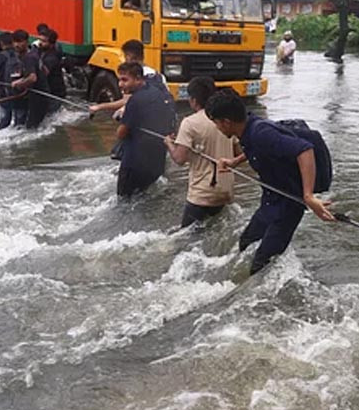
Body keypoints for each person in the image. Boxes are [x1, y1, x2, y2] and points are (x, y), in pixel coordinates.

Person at [206, 90, 335, 274]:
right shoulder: (248, 129)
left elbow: (305, 150)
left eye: (216, 123)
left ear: (226, 122)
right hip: (270, 200)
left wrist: (308, 196)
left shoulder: (261, 133)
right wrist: (235, 161)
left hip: (288, 204)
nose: (217, 128)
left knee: (261, 264)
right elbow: (261, 148)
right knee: (246, 242)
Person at [164, 76, 240, 227]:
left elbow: (179, 159)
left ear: (193, 100)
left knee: (184, 239)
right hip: (226, 191)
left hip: (201, 194)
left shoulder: (190, 123)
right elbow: (238, 153)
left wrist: (169, 144)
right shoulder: (226, 121)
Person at [115, 62, 176, 198]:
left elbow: (121, 133)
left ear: (138, 79)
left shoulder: (135, 100)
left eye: (125, 80)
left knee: (124, 203)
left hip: (134, 164)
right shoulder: (157, 93)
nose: (120, 84)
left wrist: (122, 119)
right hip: (156, 162)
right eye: (119, 79)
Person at [89, 39, 166, 116]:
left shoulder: (133, 77)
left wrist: (99, 107)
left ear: (128, 57)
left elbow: (126, 101)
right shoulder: (158, 75)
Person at [21, 28, 64, 129]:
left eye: (44, 41)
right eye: (39, 40)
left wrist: (34, 52)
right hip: (44, 92)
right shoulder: (42, 51)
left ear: (52, 44)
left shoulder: (52, 57)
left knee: (47, 121)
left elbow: (44, 72)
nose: (40, 43)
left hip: (54, 94)